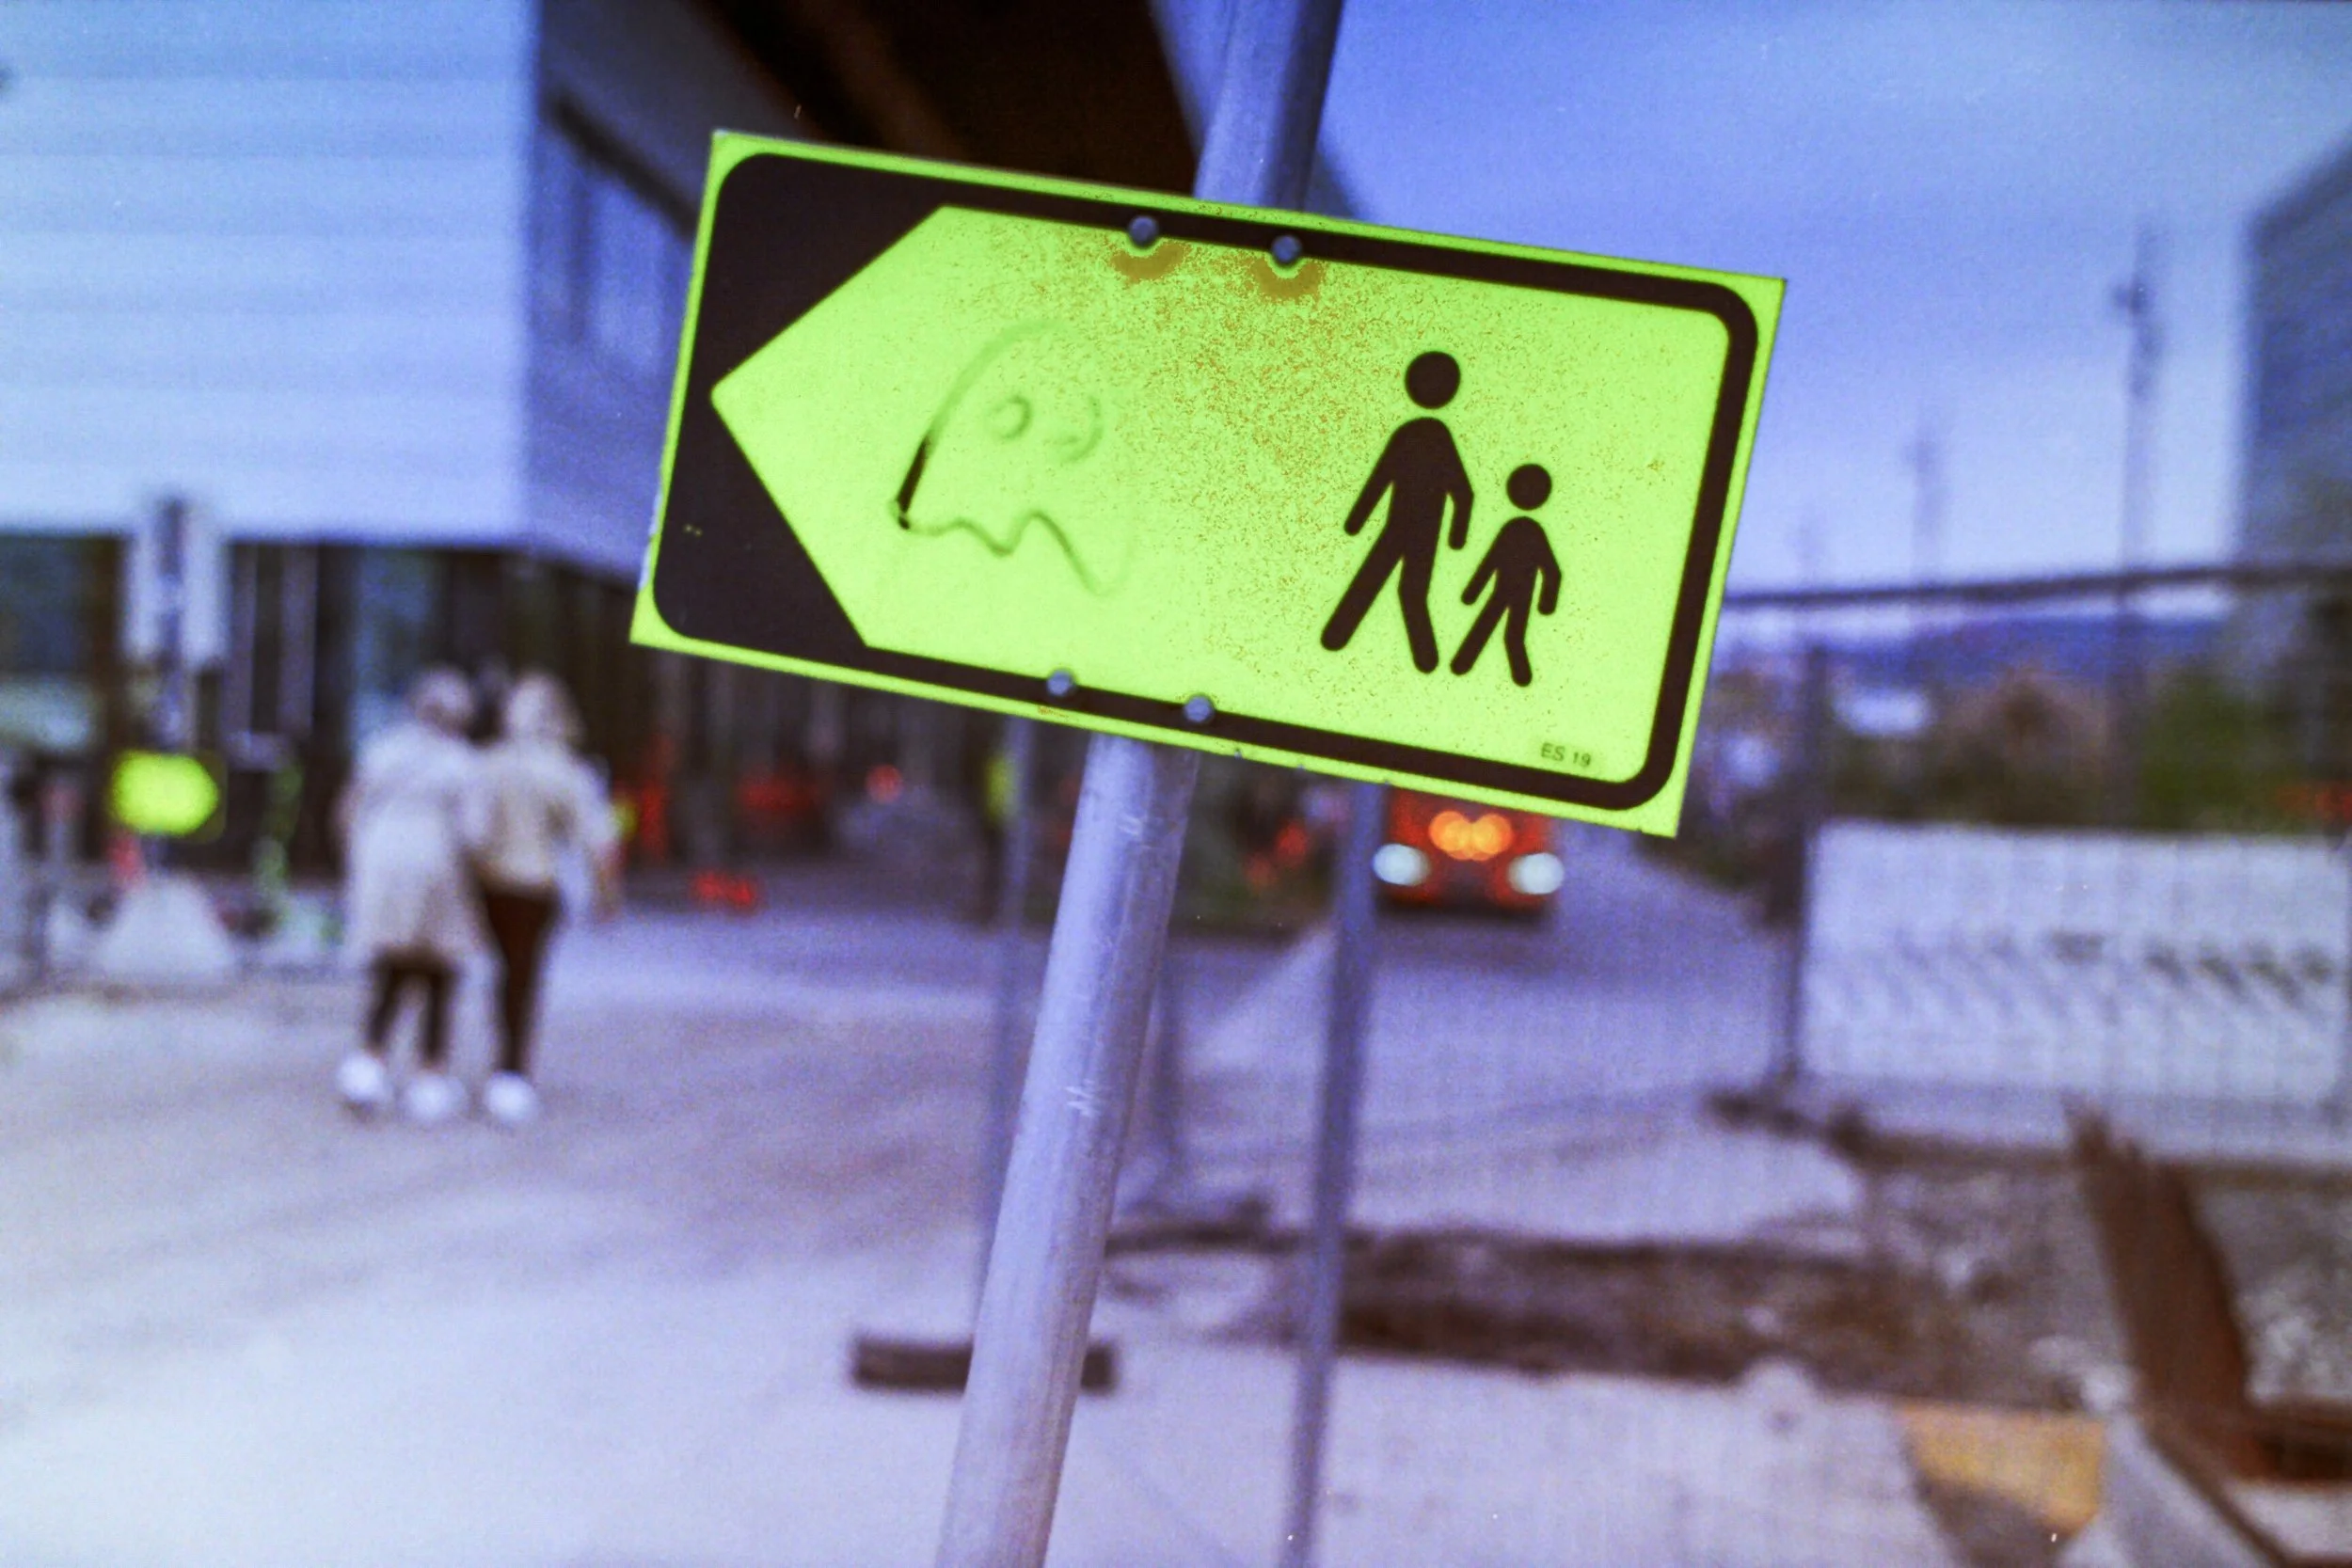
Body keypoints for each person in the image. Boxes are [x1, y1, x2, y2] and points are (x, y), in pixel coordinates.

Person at [464, 673, 620, 1127]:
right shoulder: (567, 770)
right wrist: (607, 895)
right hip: (537, 887)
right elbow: (597, 839)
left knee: (501, 974)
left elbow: (472, 833)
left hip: (493, 884)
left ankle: (499, 1066)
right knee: (523, 977)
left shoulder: (488, 764)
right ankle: (511, 1072)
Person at [335, 668, 481, 1123]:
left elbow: (348, 810)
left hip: (381, 862)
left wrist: (357, 864)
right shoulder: (462, 762)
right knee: (438, 973)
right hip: (439, 866)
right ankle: (429, 1076)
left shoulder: (382, 749)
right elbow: (474, 832)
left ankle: (369, 1064)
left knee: (389, 967)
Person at [1320, 350, 1477, 673]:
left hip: (1413, 530)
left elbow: (1460, 491)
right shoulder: (1424, 436)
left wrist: (1357, 520)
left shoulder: (1426, 436)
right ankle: (1343, 637)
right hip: (1409, 529)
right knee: (1396, 586)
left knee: (1396, 586)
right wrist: (1456, 535)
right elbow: (1386, 478)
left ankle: (1421, 657)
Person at [1451, 463, 1563, 688]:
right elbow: (1492, 561)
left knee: (1504, 633)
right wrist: (1546, 603)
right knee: (1501, 632)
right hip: (1506, 592)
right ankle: (1464, 664)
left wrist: (1473, 593)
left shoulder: (1523, 530)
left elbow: (1550, 570)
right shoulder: (1520, 530)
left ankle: (1516, 676)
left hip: (1513, 594)